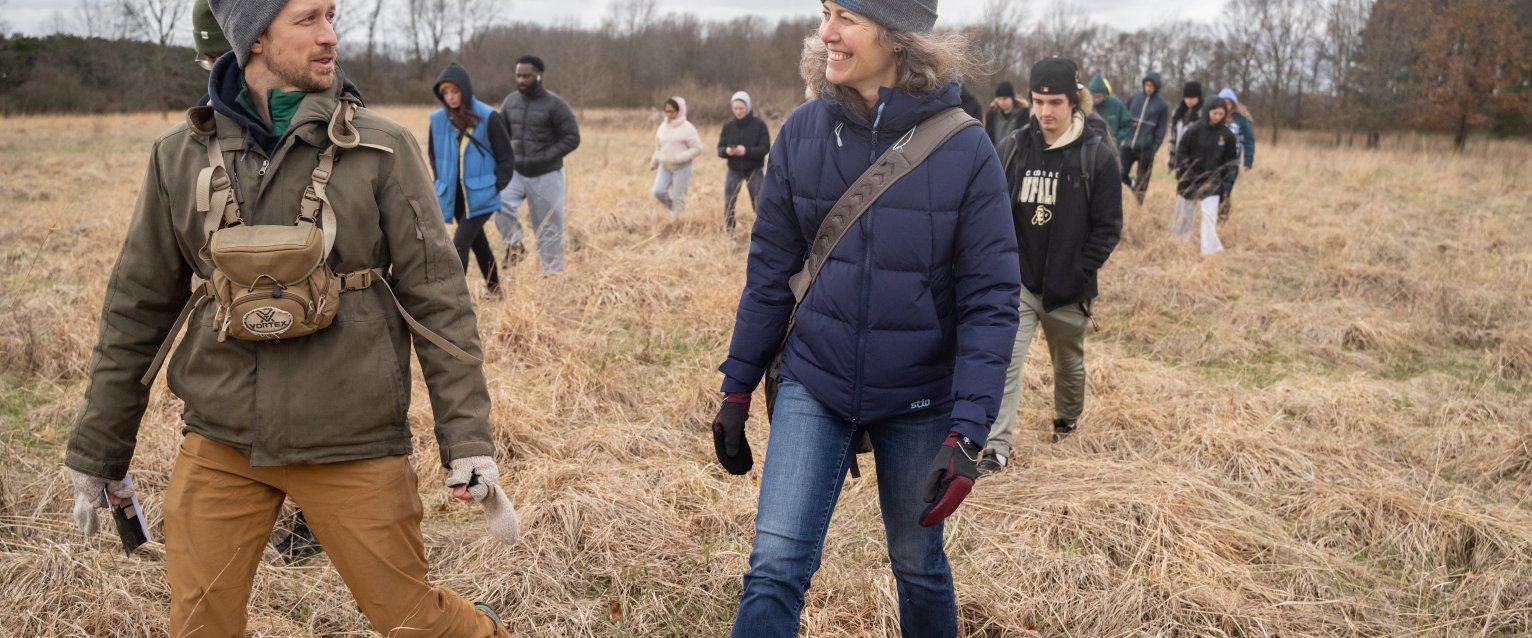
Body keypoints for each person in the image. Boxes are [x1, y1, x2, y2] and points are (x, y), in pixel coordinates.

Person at [64, 0, 514, 634]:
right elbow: (135, 310)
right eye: (307, 19)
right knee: (198, 624)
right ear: (253, 37)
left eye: (331, 16)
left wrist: (467, 439)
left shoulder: (381, 148)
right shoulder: (179, 156)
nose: (330, 35)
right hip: (221, 439)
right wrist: (99, 449)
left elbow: (439, 299)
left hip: (352, 438)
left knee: (415, 622)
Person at [711, 2, 1020, 636]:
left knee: (918, 564)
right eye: (825, 13)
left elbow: (991, 301)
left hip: (919, 393)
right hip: (813, 380)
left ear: (900, 35)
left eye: (847, 16)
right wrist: (737, 386)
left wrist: (968, 431)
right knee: (774, 566)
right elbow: (770, 274)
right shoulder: (800, 133)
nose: (826, 32)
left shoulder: (966, 148)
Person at [190, 0, 326, 563]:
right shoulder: (193, 143)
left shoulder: (352, 130)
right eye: (208, 58)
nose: (327, 35)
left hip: (336, 398)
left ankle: (311, 519)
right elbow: (138, 298)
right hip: (227, 410)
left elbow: (434, 292)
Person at [979, 58, 1123, 473]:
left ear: (1074, 101)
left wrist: (1079, 272)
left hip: (1069, 288)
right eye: (1039, 101)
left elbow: (1108, 226)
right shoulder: (1014, 148)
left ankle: (1067, 419)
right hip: (1019, 283)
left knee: (1069, 365)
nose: (1045, 111)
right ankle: (996, 448)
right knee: (1005, 359)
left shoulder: (1096, 156)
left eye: (1055, 102)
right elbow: (993, 210)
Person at [429, 62, 513, 299]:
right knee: (479, 243)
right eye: (445, 92)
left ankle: (455, 301)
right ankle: (495, 290)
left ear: (464, 90)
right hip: (453, 195)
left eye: (454, 91)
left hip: (481, 195)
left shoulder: (489, 117)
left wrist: (494, 188)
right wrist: (441, 182)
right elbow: (434, 156)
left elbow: (506, 158)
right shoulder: (437, 120)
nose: (450, 97)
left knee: (459, 243)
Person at [495, 54, 580, 272]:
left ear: (539, 75)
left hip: (547, 174)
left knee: (549, 226)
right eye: (518, 76)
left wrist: (544, 157)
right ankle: (515, 246)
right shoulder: (510, 102)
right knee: (498, 202)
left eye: (527, 76)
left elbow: (572, 138)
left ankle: (551, 274)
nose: (521, 80)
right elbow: (501, 133)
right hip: (516, 172)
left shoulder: (556, 105)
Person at [1171, 98, 1238, 255]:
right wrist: (1187, 168)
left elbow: (1231, 161)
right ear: (1208, 111)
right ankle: (1179, 244)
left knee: (1209, 216)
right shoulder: (1194, 130)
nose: (1217, 116)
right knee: (1184, 214)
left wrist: (1227, 181)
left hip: (1213, 181)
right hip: (1190, 178)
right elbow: (1181, 151)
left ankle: (1209, 250)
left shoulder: (1227, 135)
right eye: (1215, 113)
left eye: (1221, 114)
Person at [717, 90, 771, 240]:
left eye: (741, 108)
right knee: (729, 203)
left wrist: (745, 151)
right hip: (733, 169)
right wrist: (727, 151)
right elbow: (719, 149)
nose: (738, 111)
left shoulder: (759, 125)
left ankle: (764, 234)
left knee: (759, 203)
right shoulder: (728, 127)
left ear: (747, 107)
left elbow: (765, 148)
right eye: (735, 108)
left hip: (755, 170)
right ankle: (730, 234)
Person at [1120, 71, 1168, 205]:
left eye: (1151, 85)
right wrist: (1127, 125)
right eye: (1146, 85)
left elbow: (1161, 128)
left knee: (1143, 181)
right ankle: (1131, 182)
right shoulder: (1134, 98)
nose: (1148, 88)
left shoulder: (1162, 105)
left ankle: (1138, 205)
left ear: (1156, 87)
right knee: (1120, 173)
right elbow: (1123, 115)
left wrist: (1154, 148)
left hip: (1146, 148)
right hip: (1128, 145)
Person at [650, 96, 702, 213]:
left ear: (679, 111)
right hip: (665, 166)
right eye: (666, 111)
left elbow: (697, 148)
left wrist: (680, 158)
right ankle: (673, 208)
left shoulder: (688, 128)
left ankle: (678, 223)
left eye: (671, 111)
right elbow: (658, 146)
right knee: (658, 191)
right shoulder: (662, 127)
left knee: (678, 199)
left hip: (682, 168)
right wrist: (654, 162)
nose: (668, 114)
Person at [1216, 88, 1256, 222]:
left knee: (1226, 190)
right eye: (1223, 102)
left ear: (1233, 104)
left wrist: (1248, 161)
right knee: (1214, 190)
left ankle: (1222, 217)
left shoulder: (1240, 120)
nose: (1226, 106)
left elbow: (1249, 140)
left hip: (1232, 162)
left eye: (1229, 103)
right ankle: (1213, 215)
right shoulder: (1215, 117)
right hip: (1215, 160)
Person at [1088, 72, 1131, 151]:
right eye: (1094, 96)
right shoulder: (1086, 106)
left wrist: (1117, 139)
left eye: (1099, 96)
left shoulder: (1116, 104)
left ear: (1104, 94)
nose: (1096, 99)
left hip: (1111, 149)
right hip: (1091, 149)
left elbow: (1127, 124)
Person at [1167, 81, 1203, 171]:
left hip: (1194, 157)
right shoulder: (1178, 113)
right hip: (1178, 155)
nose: (1189, 100)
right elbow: (1172, 136)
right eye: (1186, 97)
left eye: (1192, 97)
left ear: (1198, 97)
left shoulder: (1202, 114)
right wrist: (1172, 157)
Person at [984, 80, 1028, 145]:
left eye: (1005, 98)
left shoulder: (1023, 113)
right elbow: (988, 139)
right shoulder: (991, 115)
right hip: (996, 153)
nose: (1001, 102)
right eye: (999, 99)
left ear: (1012, 98)